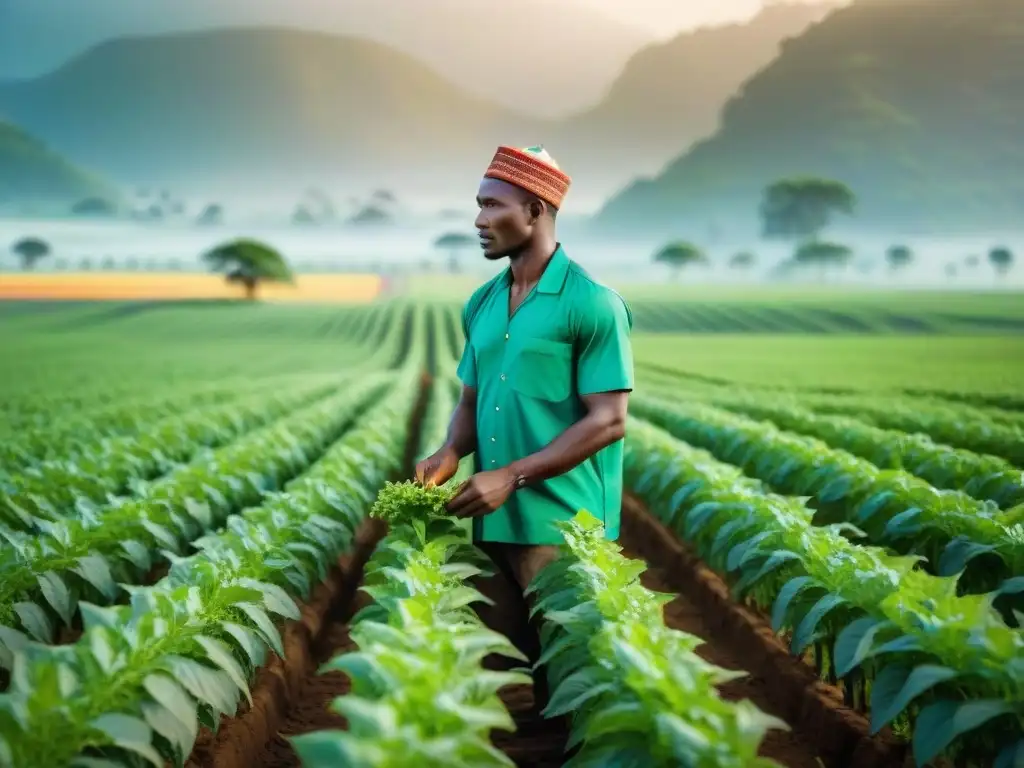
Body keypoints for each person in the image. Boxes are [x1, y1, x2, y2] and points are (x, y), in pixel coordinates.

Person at [414, 144, 634, 722]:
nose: (479, 220)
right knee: (512, 675)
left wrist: (511, 475)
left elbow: (608, 419)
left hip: (563, 526)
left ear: (535, 210)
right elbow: (471, 398)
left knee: (573, 684)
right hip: (493, 521)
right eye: (478, 205)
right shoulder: (483, 302)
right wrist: (448, 451)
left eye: (493, 205)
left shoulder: (592, 304)